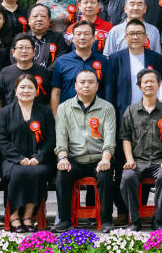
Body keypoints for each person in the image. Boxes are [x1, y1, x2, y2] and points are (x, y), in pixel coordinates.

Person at [52, 68, 117, 231]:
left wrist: (106, 158)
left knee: (105, 176)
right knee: (62, 175)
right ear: (75, 86)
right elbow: (61, 137)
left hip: (99, 159)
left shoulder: (107, 108)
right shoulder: (64, 108)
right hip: (75, 159)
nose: (86, 85)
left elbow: (110, 138)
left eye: (90, 82)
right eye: (82, 82)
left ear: (97, 86)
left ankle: (106, 220)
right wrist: (63, 158)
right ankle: (65, 220)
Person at [119, 68, 162, 231]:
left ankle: (157, 220)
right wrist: (129, 160)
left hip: (160, 161)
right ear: (139, 86)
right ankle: (135, 221)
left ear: (158, 85)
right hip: (137, 161)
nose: (149, 85)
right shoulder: (131, 111)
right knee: (127, 177)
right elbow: (125, 137)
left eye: (152, 81)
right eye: (145, 82)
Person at [0, 72, 54, 232]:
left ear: (36, 91)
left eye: (30, 87)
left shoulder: (45, 112)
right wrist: (19, 158)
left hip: (40, 159)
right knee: (18, 173)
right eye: (22, 87)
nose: (26, 90)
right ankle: (14, 215)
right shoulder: (5, 112)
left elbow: (51, 139)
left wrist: (38, 157)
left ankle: (28, 216)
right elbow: (2, 139)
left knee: (37, 172)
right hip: (12, 159)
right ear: (16, 91)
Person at [109, 20, 162, 114]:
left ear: (146, 37)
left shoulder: (156, 58)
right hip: (123, 112)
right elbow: (110, 89)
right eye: (131, 34)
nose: (135, 37)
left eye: (139, 33)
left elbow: (160, 84)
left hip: (149, 112)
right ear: (125, 37)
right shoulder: (115, 59)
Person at [51, 21, 110, 110]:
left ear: (94, 38)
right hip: (68, 113)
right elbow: (56, 92)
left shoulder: (103, 61)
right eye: (78, 34)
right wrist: (56, 116)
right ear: (73, 39)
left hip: (96, 113)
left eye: (86, 34)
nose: (82, 37)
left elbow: (108, 91)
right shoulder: (62, 61)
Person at [0, 32, 50, 114]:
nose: (24, 51)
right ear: (13, 52)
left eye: (27, 48)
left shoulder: (44, 72)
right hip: (11, 118)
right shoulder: (5, 72)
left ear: (34, 52)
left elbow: (48, 101)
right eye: (20, 48)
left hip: (37, 119)